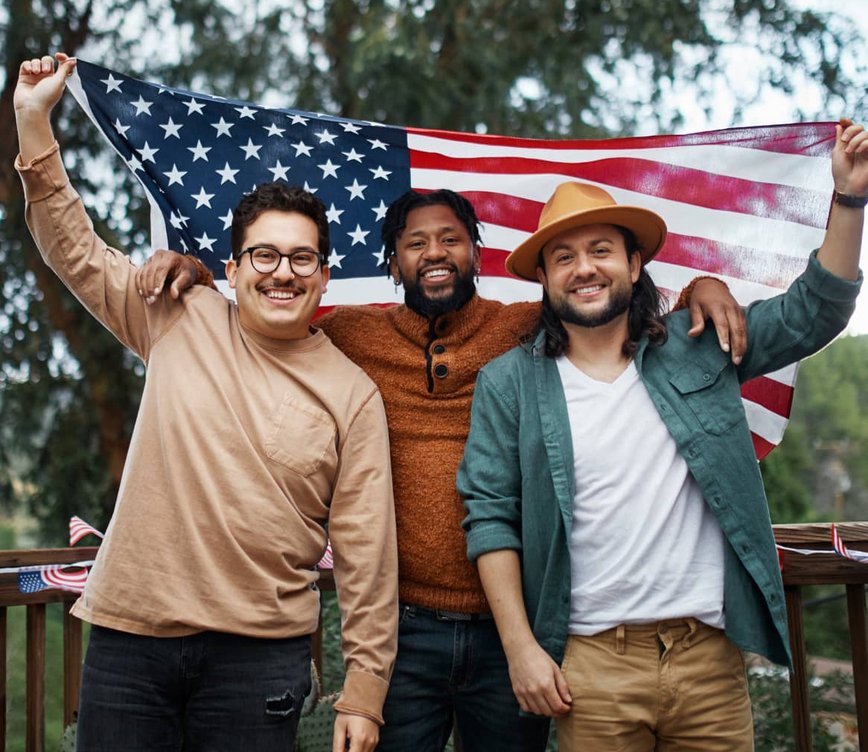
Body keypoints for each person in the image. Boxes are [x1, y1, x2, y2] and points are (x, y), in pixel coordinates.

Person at [142, 184, 746, 750]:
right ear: (392, 262)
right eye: (415, 243)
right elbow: (268, 309)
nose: (435, 252)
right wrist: (195, 271)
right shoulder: (349, 335)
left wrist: (701, 288)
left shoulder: (525, 327)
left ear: (476, 254)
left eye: (451, 239)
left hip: (514, 632)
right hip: (404, 634)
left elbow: (607, 304)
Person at [14, 53, 398, 752]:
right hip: (131, 646)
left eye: (302, 258)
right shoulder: (175, 315)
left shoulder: (354, 394)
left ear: (324, 276)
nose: (283, 271)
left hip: (260, 661)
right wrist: (33, 122)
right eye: (264, 255)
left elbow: (369, 559)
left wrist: (364, 695)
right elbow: (74, 249)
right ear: (233, 267)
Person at [457, 119, 865, 751]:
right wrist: (522, 650)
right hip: (590, 667)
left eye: (600, 251)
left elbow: (817, 309)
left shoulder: (695, 346)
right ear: (543, 278)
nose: (583, 268)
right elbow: (489, 517)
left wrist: (851, 199)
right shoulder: (508, 383)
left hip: (708, 661)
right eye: (563, 257)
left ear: (634, 262)